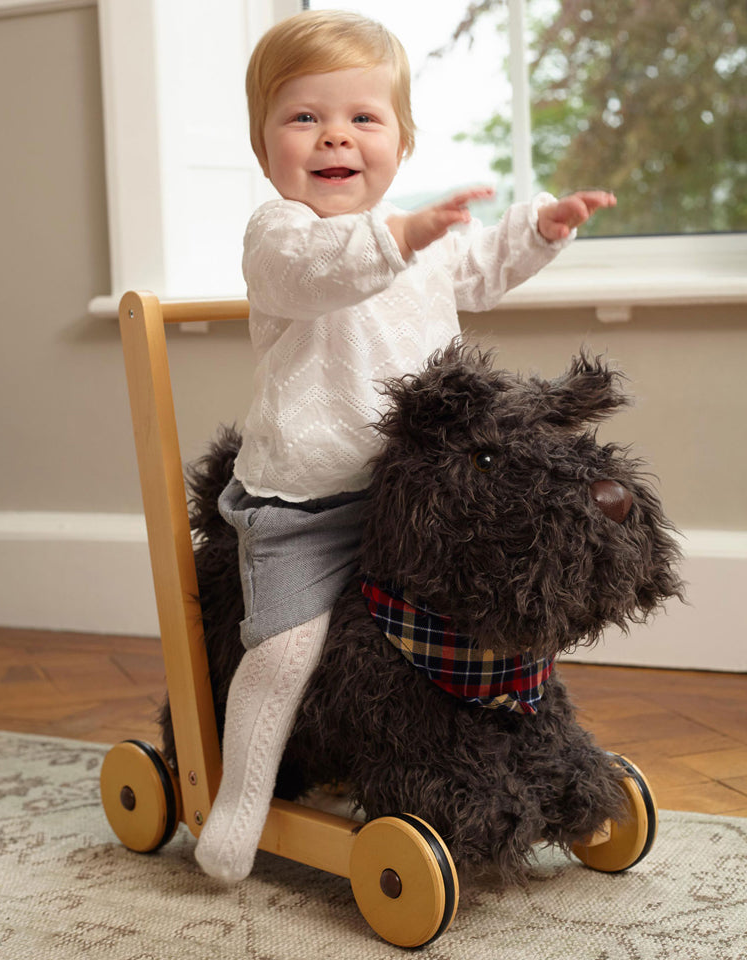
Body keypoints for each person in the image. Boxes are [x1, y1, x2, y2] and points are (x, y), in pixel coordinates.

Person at [195, 8, 617, 883]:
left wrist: (540, 229)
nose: (333, 137)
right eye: (303, 117)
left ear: (403, 139)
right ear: (263, 142)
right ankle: (240, 797)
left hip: (413, 502)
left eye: (362, 118)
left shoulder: (417, 246)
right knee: (285, 651)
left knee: (482, 613)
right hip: (306, 505)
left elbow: (478, 269)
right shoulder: (280, 236)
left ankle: (506, 761)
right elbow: (318, 277)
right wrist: (398, 238)